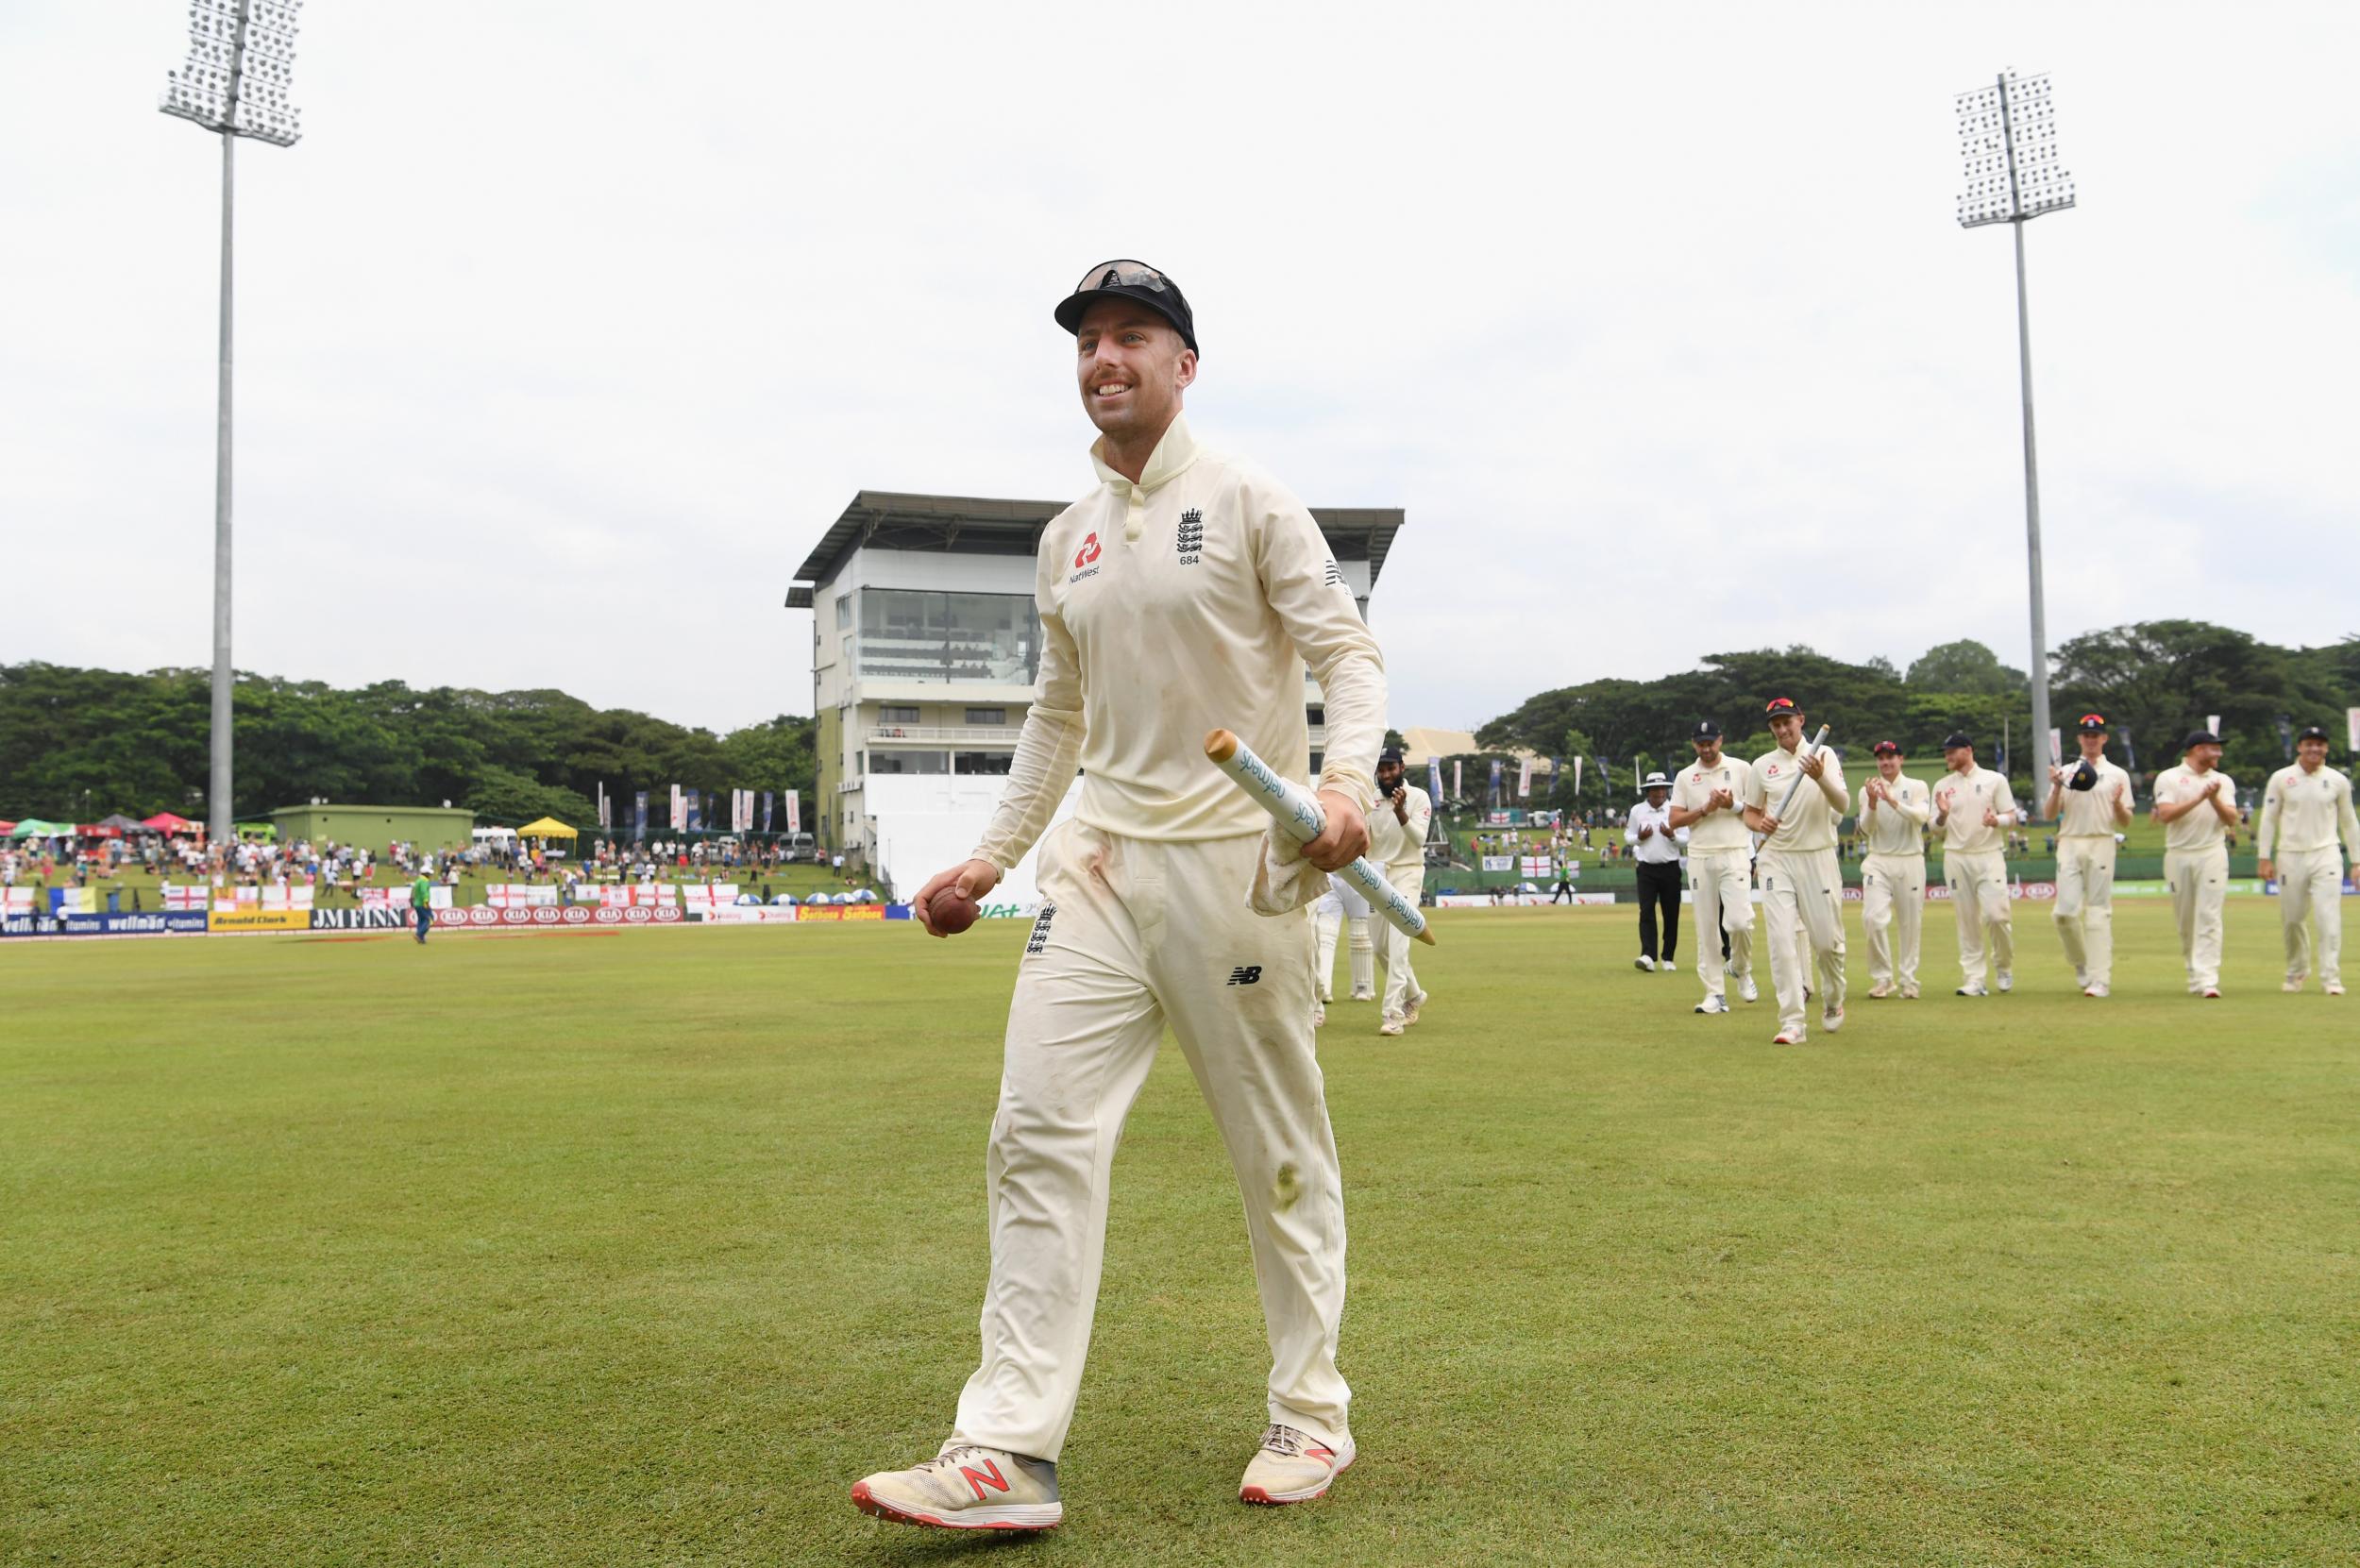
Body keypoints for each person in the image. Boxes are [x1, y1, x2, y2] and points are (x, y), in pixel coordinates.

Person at [856, 261, 1385, 1531]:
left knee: (1277, 1158)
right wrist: (988, 858)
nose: (1106, 360)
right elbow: (1058, 711)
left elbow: (1345, 654)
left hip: (1235, 871)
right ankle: (1005, 1452)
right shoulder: (1066, 536)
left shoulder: (1249, 497)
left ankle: (1311, 1414)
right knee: (1035, 1131)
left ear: (1184, 364)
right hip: (1094, 867)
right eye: (1089, 342)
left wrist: (1347, 780)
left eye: (1133, 337)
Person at [1739, 698, 1847, 1044]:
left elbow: (1843, 806)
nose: (1783, 729)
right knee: (1782, 941)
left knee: (1827, 944)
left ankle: (1833, 1000)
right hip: (1777, 858)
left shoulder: (1824, 756)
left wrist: (1819, 779)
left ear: (1801, 721)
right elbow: (1750, 814)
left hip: (1817, 855)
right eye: (1776, 724)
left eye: (1788, 722)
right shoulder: (1761, 766)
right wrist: (1762, 823)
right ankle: (1792, 1021)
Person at [2256, 723, 2360, 996]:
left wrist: (2357, 861)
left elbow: (2349, 821)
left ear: (2326, 748)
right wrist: (2264, 857)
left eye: (2320, 744)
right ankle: (2296, 971)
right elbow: (2268, 819)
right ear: (2300, 747)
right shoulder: (2281, 778)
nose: (2315, 748)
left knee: (2329, 918)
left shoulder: (2337, 780)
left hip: (2326, 854)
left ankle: (2331, 977)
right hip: (2290, 855)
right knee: (2292, 919)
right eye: (2309, 743)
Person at [1668, 718, 1757, 1015]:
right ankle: (1715, 993)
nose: (1707, 749)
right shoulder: (1685, 776)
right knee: (1707, 928)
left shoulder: (1742, 769)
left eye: (1711, 742)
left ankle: (1741, 968)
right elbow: (1674, 820)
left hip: (1735, 852)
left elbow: (1757, 812)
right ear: (1694, 744)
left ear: (1721, 740)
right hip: (1700, 856)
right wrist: (1705, 809)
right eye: (1701, 743)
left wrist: (1731, 804)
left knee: (1739, 922)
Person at [2046, 713, 2134, 998]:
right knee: (2063, 913)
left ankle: (2100, 979)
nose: (2091, 740)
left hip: (2102, 841)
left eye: (2096, 736)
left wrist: (2118, 804)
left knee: (2097, 912)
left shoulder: (2117, 774)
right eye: (2086, 735)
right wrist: (2057, 785)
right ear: (2080, 739)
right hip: (2070, 841)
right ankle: (2081, 963)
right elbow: (2049, 815)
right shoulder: (2067, 772)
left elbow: (2126, 821)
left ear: (2104, 738)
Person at [2153, 730, 2240, 998]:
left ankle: (2208, 978)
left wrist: (2213, 799)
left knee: (2209, 916)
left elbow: (2231, 819)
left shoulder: (2222, 781)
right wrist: (2200, 798)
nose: (2219, 754)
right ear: (2197, 749)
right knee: (2186, 918)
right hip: (2178, 853)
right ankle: (2194, 973)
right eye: (2214, 749)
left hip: (2212, 852)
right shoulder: (2168, 777)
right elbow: (2166, 815)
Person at [1933, 732, 2018, 997]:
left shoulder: (1994, 780)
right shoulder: (1942, 785)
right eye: (1946, 752)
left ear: (1968, 750)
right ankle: (1974, 979)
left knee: (1997, 916)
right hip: (1956, 857)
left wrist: (1997, 822)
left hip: (1989, 854)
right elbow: (1935, 830)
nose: (1948, 756)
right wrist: (1943, 815)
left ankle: (2003, 966)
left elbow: (2012, 817)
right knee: (1966, 920)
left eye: (1952, 751)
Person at [1856, 740, 1930, 1000]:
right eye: (1881, 759)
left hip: (1910, 859)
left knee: (1910, 924)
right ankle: (1883, 979)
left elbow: (1922, 818)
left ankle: (1909, 980)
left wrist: (1893, 801)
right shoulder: (1867, 791)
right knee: (1872, 919)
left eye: (1890, 757)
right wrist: (1875, 803)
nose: (1885, 763)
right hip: (1879, 859)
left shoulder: (1917, 787)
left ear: (1901, 759)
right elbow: (1866, 829)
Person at [1370, 747, 1432, 1036]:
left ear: (1402, 768)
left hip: (1407, 873)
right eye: (1381, 769)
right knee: (1380, 947)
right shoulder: (1369, 800)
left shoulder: (1418, 797)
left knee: (1398, 944)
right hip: (1376, 876)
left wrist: (1401, 812)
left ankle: (1393, 1014)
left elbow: (1419, 840)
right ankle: (1415, 995)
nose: (1386, 774)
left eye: (1390, 768)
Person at [1625, 771, 1685, 972]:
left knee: (1671, 913)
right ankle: (1648, 955)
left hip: (1670, 867)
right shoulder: (1637, 810)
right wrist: (1640, 838)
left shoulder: (1675, 810)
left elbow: (1688, 839)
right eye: (1655, 789)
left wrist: (1673, 836)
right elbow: (1628, 836)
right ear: (1648, 792)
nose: (1659, 793)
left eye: (1662, 789)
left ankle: (1668, 957)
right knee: (1646, 912)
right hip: (1646, 868)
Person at [409, 868, 432, 944]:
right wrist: (426, 901)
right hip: (423, 904)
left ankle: (421, 938)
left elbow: (414, 892)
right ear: (426, 874)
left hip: (417, 903)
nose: (430, 875)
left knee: (421, 920)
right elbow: (424, 891)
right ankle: (419, 934)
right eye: (429, 874)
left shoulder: (418, 880)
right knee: (429, 919)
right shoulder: (424, 881)